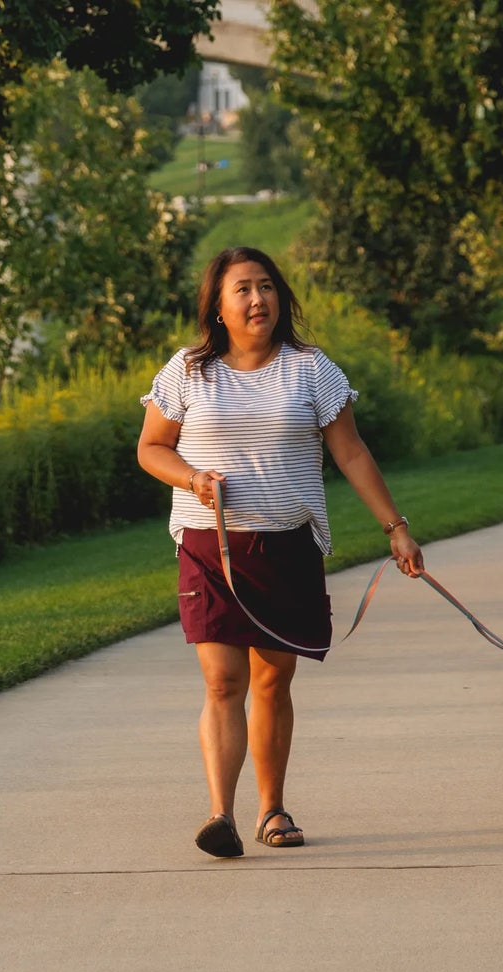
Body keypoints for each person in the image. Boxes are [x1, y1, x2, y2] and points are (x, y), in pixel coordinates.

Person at [136, 246, 423, 858]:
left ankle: (271, 808)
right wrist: (193, 479)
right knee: (223, 681)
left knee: (271, 681)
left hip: (287, 545)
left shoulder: (311, 369)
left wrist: (395, 527)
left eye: (266, 286)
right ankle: (221, 815)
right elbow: (152, 448)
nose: (257, 299)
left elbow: (350, 451)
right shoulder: (187, 371)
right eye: (242, 288)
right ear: (217, 305)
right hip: (210, 546)